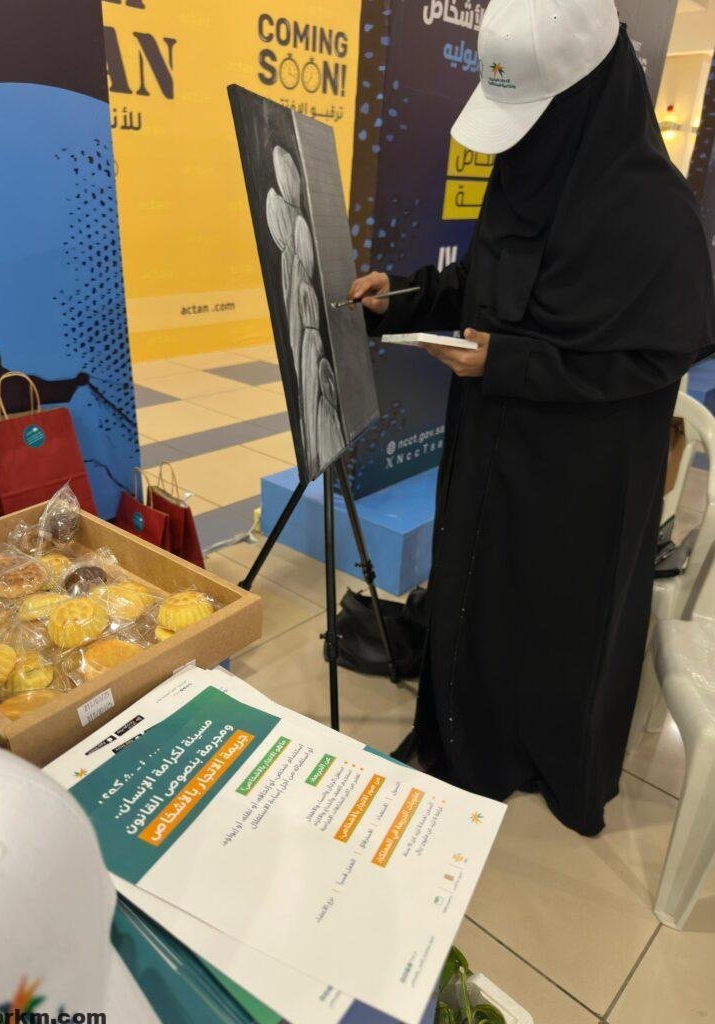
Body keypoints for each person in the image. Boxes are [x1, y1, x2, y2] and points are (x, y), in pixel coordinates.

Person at [348, 0, 715, 836]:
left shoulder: (657, 220)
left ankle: (542, 752)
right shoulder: (531, 170)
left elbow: (647, 363)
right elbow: (482, 280)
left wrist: (511, 364)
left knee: (554, 620)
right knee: (480, 589)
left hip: (580, 480)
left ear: (586, 98)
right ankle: (470, 732)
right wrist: (404, 295)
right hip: (493, 447)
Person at [0, 339, 89, 420]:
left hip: (3, 453)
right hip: (35, 445)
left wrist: (74, 382)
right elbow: (57, 392)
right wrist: (75, 382)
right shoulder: (24, 382)